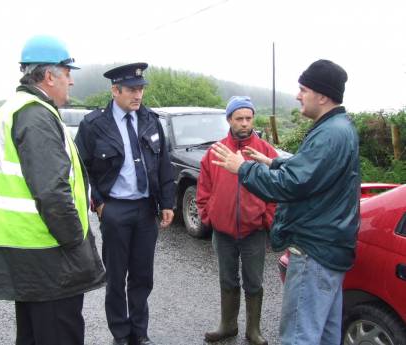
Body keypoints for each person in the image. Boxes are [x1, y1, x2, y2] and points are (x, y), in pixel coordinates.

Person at [210, 60, 360, 345]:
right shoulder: (340, 127)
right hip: (331, 247)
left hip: (313, 249)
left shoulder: (329, 134)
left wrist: (243, 169)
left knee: (299, 335)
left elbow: (292, 185)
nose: (298, 96)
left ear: (323, 95)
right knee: (326, 333)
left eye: (304, 89)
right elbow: (312, 172)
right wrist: (274, 162)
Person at [0, 35, 106, 345]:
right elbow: (51, 192)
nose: (71, 82)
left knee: (33, 335)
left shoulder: (14, 109)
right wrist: (75, 243)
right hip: (47, 256)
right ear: (49, 76)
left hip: (26, 252)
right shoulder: (36, 115)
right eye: (68, 73)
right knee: (59, 335)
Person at [74, 62, 175, 345]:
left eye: (141, 88)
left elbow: (164, 165)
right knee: (116, 278)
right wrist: (98, 203)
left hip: (146, 209)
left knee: (143, 277)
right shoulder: (94, 125)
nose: (138, 95)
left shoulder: (150, 120)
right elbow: (81, 169)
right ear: (115, 90)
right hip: (114, 209)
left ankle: (139, 333)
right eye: (132, 89)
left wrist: (167, 203)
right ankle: (120, 334)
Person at [197, 96, 277, 345]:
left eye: (249, 118)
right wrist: (209, 215)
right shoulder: (215, 151)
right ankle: (228, 325)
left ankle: (253, 330)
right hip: (223, 231)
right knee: (227, 279)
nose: (244, 123)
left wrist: (266, 218)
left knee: (254, 281)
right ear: (229, 119)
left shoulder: (265, 151)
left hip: (254, 231)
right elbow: (204, 189)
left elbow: (278, 190)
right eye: (239, 118)